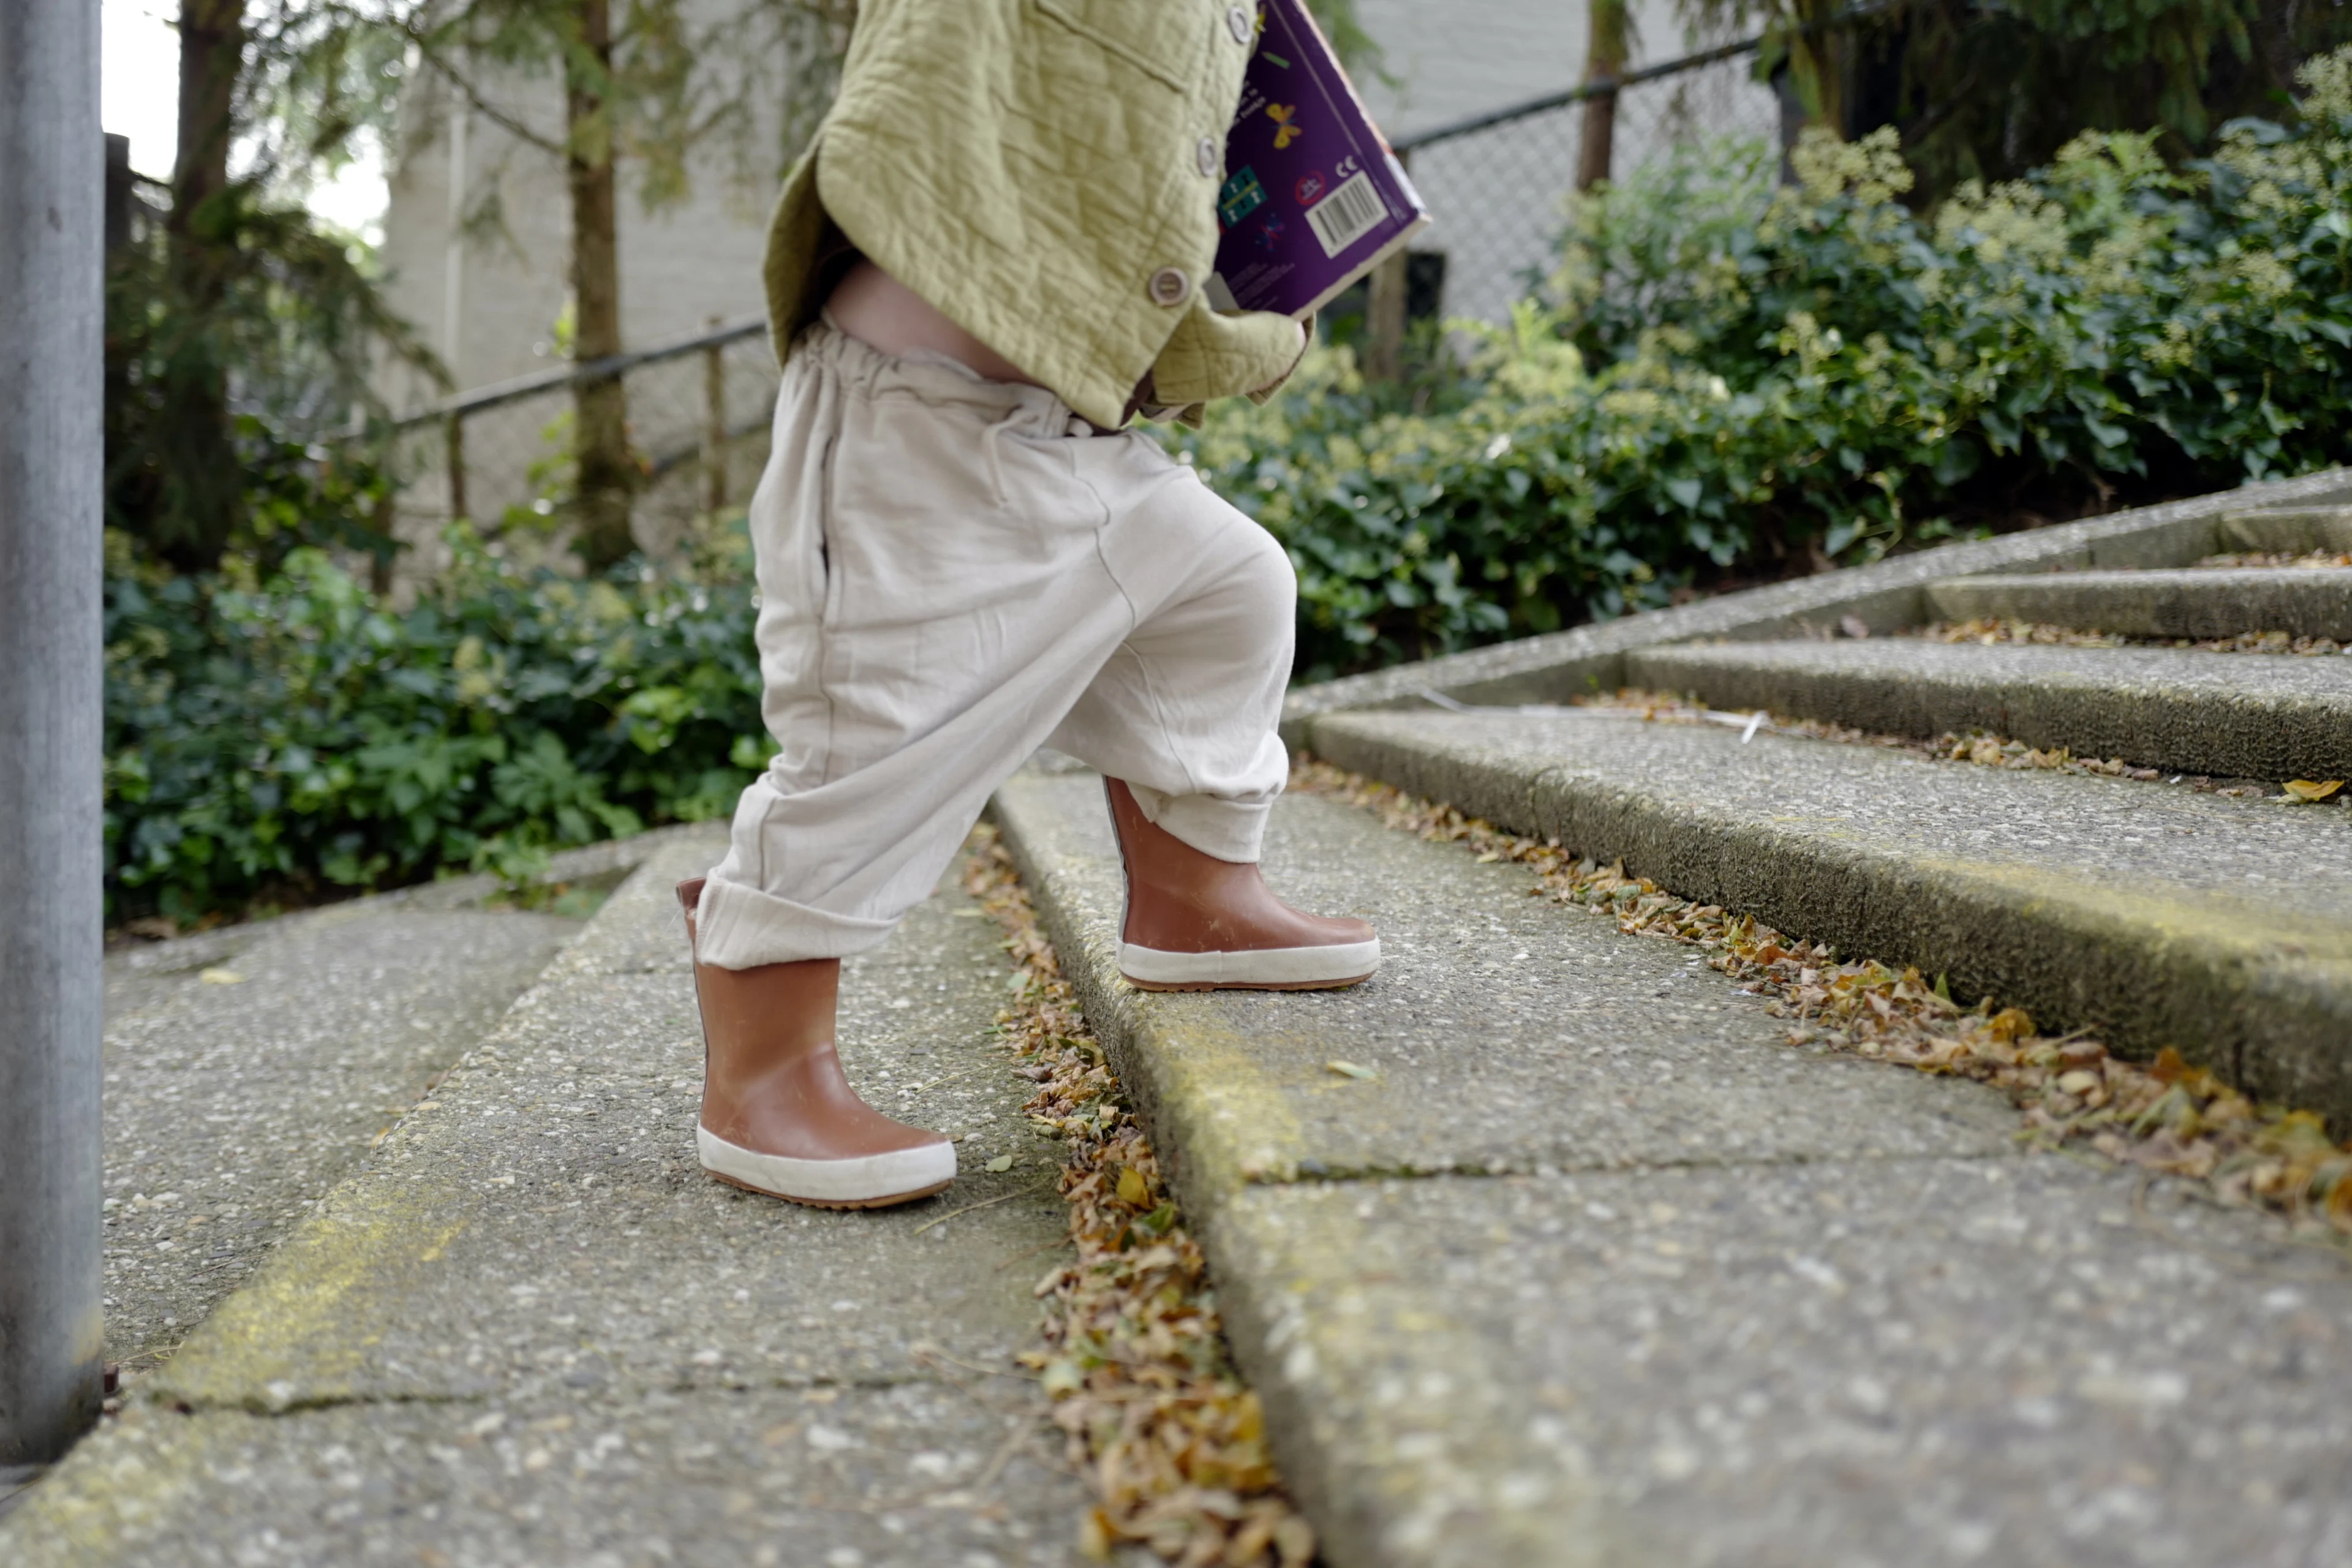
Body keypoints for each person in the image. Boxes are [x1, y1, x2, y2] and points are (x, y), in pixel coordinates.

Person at [674, 0, 1381, 1210]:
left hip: (1078, 441)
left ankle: (1196, 891)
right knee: (871, 742)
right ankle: (765, 1064)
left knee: (1231, 588)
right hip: (910, 433)